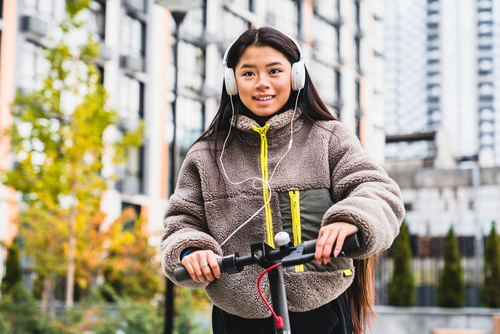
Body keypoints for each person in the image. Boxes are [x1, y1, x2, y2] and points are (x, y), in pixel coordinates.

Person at [161, 26, 404, 334]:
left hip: (321, 310)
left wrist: (350, 219)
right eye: (248, 74)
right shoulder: (206, 155)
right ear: (231, 82)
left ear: (296, 75)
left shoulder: (328, 137)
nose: (262, 83)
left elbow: (377, 190)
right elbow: (181, 222)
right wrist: (189, 249)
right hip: (237, 318)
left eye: (274, 71)